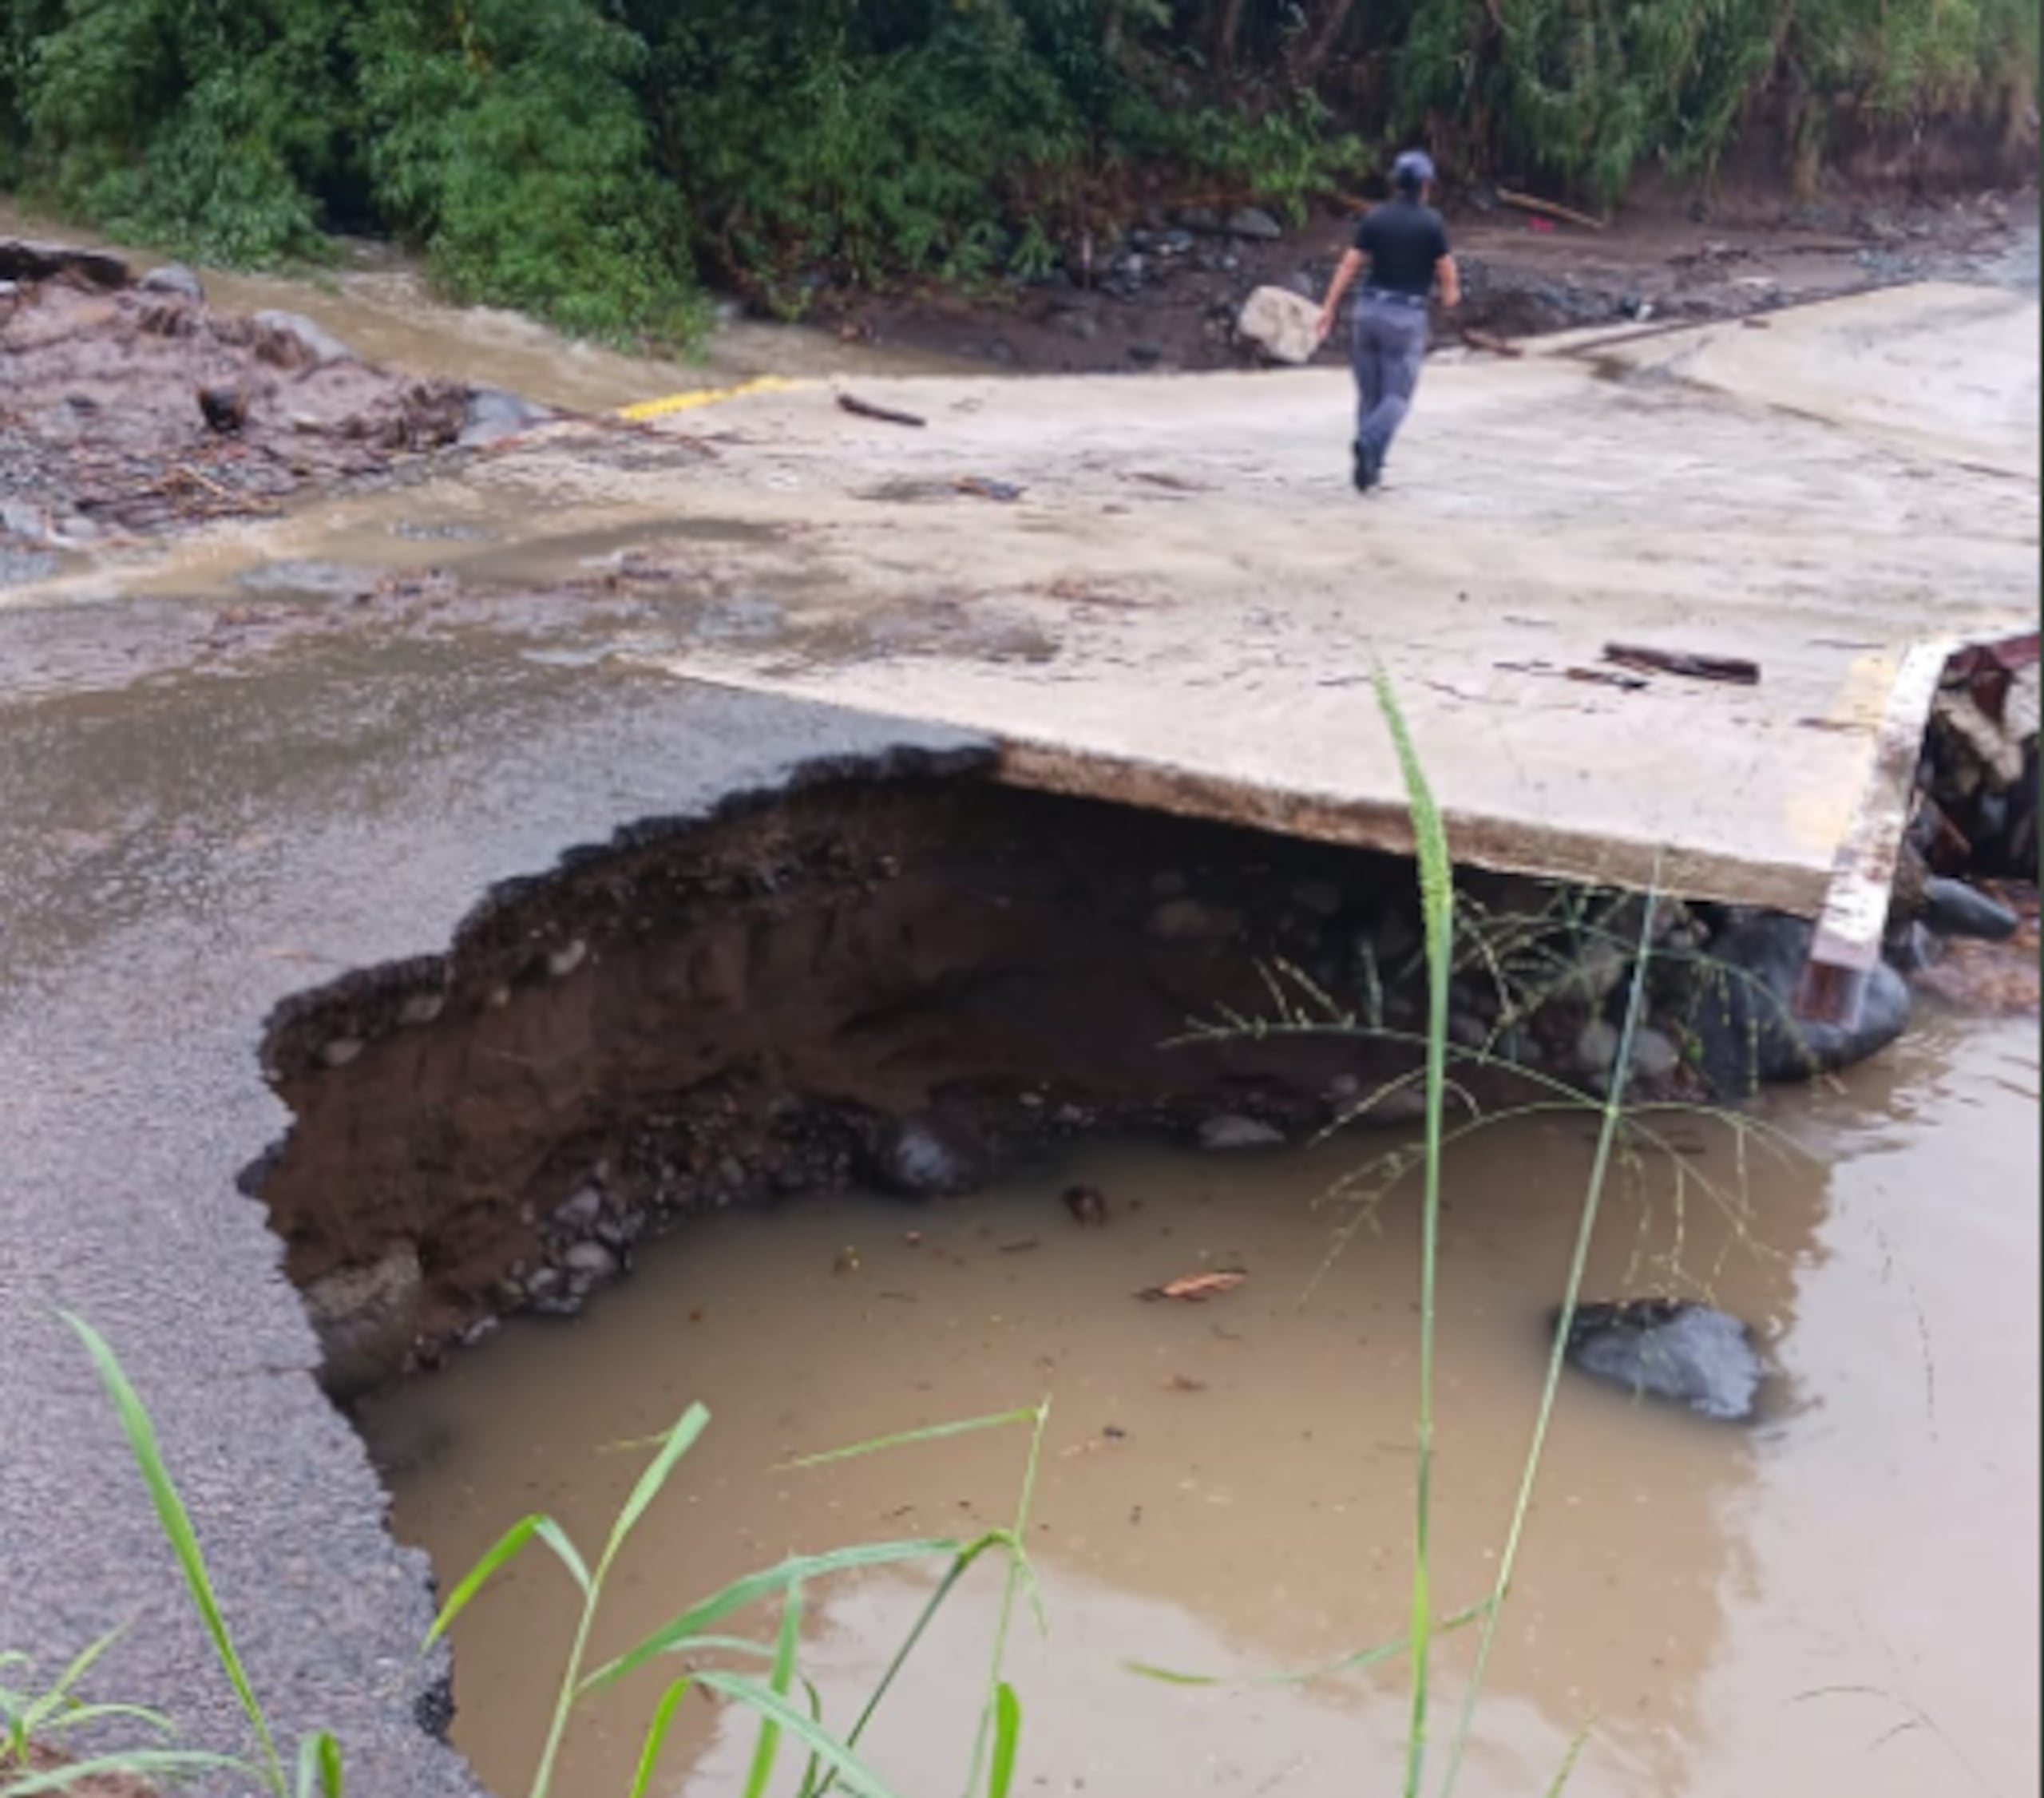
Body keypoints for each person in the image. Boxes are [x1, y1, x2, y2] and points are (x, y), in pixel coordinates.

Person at [1316, 149, 1460, 493]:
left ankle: (1370, 472)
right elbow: (1446, 267)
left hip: (1367, 311)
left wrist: (1329, 306)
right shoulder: (1431, 223)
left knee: (1370, 395)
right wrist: (1450, 294)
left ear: (1396, 182)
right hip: (1405, 316)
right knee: (1397, 396)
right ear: (1426, 185)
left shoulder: (1375, 217)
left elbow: (1349, 264)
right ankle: (1368, 442)